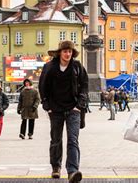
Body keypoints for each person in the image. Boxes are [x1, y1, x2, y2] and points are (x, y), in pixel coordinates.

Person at [39, 40, 88, 182]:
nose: (68, 54)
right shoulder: (49, 67)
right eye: (65, 51)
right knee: (56, 140)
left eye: (70, 52)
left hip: (73, 108)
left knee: (73, 140)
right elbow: (43, 86)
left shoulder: (77, 66)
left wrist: (79, 105)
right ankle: (56, 167)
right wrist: (47, 106)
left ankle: (73, 171)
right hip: (55, 109)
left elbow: (84, 86)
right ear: (60, 53)